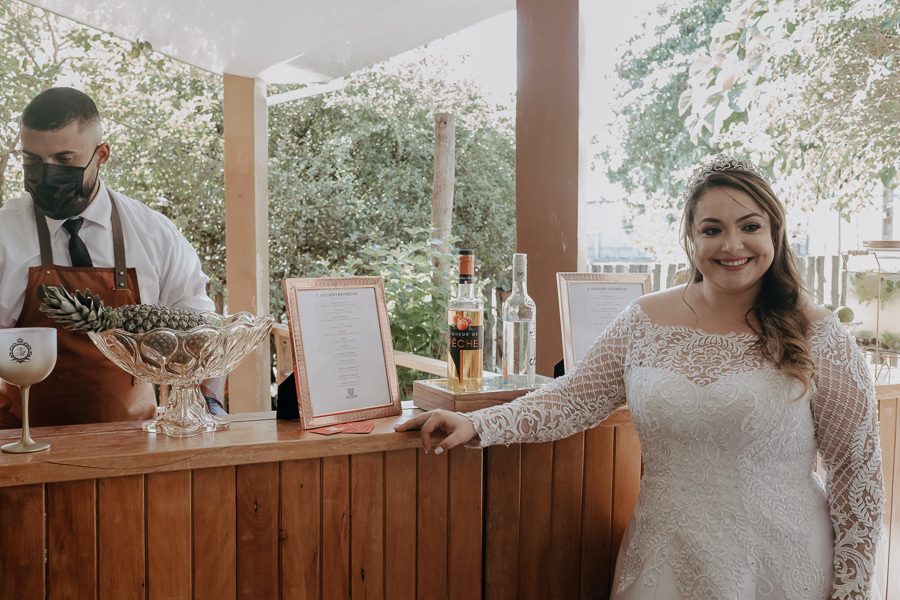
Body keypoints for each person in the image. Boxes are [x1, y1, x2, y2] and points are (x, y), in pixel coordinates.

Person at [396, 155, 885, 600]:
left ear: (774, 233)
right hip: (664, 557)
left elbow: (856, 473)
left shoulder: (820, 333)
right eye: (712, 229)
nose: (732, 245)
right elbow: (572, 399)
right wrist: (478, 424)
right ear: (691, 238)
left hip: (783, 563)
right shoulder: (643, 319)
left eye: (750, 226)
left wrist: (852, 592)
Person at [0, 87, 225, 428]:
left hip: (135, 439)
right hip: (23, 439)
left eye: (64, 160)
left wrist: (209, 402)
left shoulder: (154, 233)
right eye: (32, 160)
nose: (46, 175)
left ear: (101, 155)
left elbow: (202, 330)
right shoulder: (5, 233)